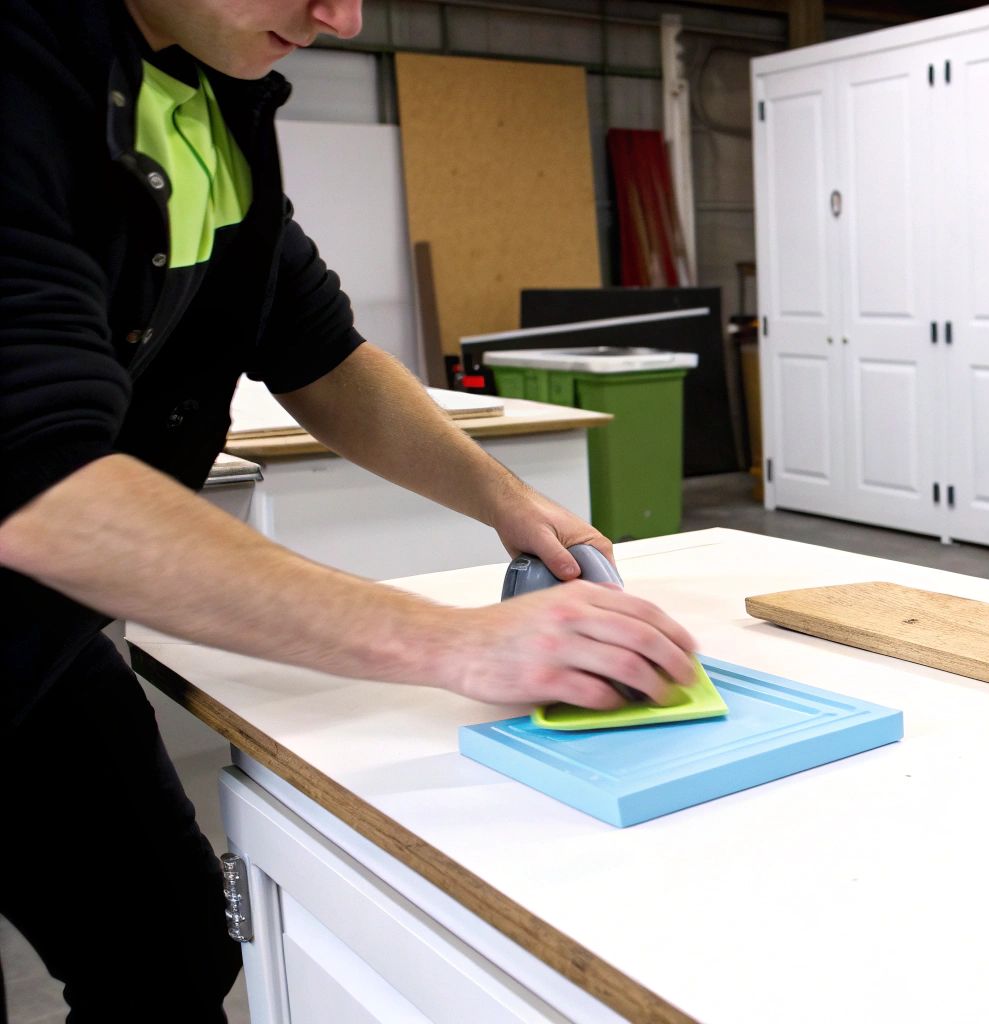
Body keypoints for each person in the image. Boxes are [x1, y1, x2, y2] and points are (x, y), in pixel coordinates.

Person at [0, 0, 698, 1016]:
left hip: (32, 642)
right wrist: (459, 645)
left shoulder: (207, 91)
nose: (342, 14)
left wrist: (506, 499)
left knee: (169, 952)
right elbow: (41, 489)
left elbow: (316, 352)